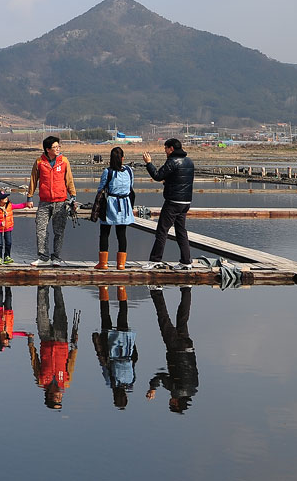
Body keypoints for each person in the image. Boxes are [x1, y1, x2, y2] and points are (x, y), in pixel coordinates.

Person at [142, 138, 194, 269]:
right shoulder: (189, 161)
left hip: (173, 202)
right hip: (185, 202)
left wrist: (149, 163)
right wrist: (169, 182)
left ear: (171, 148)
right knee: (181, 231)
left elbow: (157, 176)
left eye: (165, 148)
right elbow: (181, 180)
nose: (164, 151)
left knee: (162, 230)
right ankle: (186, 262)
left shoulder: (172, 161)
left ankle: (155, 260)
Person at [146, 287, 199, 413]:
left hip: (188, 348)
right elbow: (161, 376)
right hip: (175, 349)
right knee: (163, 319)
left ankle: (186, 289)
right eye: (171, 403)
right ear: (176, 403)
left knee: (183, 318)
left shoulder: (193, 388)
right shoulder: (176, 390)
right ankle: (156, 291)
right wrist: (153, 388)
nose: (170, 400)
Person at [27, 136, 76, 267]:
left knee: (58, 231)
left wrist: (73, 195)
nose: (58, 149)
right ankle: (43, 257)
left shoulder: (64, 161)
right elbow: (33, 179)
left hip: (61, 202)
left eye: (58, 146)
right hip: (44, 202)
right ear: (48, 149)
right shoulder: (39, 162)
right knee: (41, 229)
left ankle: (56, 257)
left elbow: (69, 179)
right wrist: (29, 197)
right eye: (55, 147)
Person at [28, 286, 78, 409]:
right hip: (61, 341)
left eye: (57, 398)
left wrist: (31, 343)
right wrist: (74, 347)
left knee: (42, 310)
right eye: (60, 398)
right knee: (60, 308)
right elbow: (71, 362)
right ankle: (57, 287)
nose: (60, 396)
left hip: (45, 339)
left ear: (49, 396)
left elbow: (35, 361)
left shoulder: (41, 380)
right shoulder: (66, 382)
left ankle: (42, 287)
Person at [93, 285, 137, 408]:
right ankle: (104, 289)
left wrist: (133, 345)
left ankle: (121, 288)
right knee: (105, 317)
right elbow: (104, 364)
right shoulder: (111, 383)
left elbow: (134, 362)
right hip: (110, 349)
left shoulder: (131, 382)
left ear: (126, 396)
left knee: (123, 316)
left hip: (126, 348)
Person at [93, 146, 136, 270]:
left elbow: (101, 188)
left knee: (104, 233)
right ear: (123, 158)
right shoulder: (129, 170)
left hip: (111, 203)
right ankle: (121, 264)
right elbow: (131, 186)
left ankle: (103, 263)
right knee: (121, 234)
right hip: (125, 203)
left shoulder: (108, 171)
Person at [0, 189, 30, 265]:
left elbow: (19, 206)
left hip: (8, 228)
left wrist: (26, 204)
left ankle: (7, 256)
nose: (6, 198)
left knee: (9, 242)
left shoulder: (10, 206)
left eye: (6, 197)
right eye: (4, 198)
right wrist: (0, 223)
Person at [0, 286, 31, 351]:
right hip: (8, 313)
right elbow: (17, 334)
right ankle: (7, 285)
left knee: (0, 296)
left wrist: (0, 318)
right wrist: (26, 335)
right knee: (9, 296)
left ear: (0, 342)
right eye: (7, 343)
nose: (7, 341)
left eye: (5, 343)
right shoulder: (9, 336)